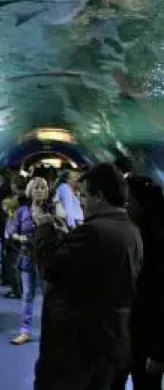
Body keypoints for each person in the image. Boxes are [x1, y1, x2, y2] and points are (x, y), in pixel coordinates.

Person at [33, 163, 144, 390]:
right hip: (112, 340)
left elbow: (49, 267)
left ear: (99, 197)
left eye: (83, 195)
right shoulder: (131, 230)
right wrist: (68, 237)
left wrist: (43, 228)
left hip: (77, 348)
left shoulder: (92, 231)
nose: (80, 201)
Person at [112, 175, 164, 390]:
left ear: (143, 204)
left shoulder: (156, 243)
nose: (125, 207)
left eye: (129, 201)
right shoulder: (134, 234)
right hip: (129, 333)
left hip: (146, 338)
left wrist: (159, 353)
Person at [8, 177, 50, 346]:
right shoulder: (22, 211)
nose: (39, 190)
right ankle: (25, 331)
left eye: (42, 187)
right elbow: (12, 231)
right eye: (36, 188)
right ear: (30, 191)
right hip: (27, 257)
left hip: (46, 259)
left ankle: (49, 331)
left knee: (48, 296)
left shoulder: (52, 210)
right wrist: (20, 238)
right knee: (27, 295)